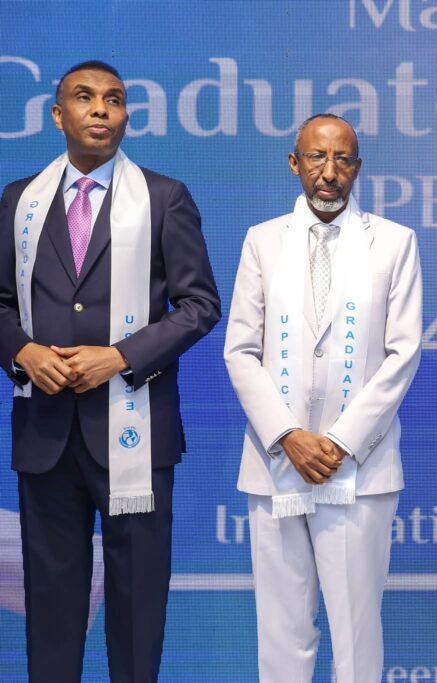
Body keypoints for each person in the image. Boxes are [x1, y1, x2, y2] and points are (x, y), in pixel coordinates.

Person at [0, 60, 221, 682]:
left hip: (135, 434)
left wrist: (120, 356)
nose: (101, 108)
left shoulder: (164, 197)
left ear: (125, 115)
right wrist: (22, 352)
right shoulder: (19, 200)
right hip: (46, 435)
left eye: (115, 99)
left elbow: (200, 306)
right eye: (85, 97)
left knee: (136, 610)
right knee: (50, 611)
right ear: (58, 115)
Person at [224, 113, 422, 683]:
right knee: (281, 632)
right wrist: (288, 435)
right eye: (317, 157)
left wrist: (337, 441)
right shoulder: (263, 240)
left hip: (359, 466)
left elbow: (403, 353)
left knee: (356, 635)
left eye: (342, 160)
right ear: (295, 163)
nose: (329, 172)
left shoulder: (394, 242)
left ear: (357, 167)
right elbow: (240, 350)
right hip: (276, 464)